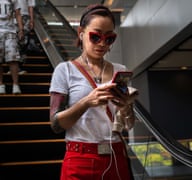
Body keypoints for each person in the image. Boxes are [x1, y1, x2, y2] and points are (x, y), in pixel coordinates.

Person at [49, 4, 138, 180]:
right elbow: (56, 124)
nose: (102, 43)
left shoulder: (119, 70)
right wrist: (87, 101)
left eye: (109, 38)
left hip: (116, 155)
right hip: (80, 158)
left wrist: (126, 108)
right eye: (95, 36)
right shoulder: (65, 70)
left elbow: (129, 125)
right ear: (81, 33)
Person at [0, 0, 23, 94]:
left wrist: (21, 29)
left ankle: (15, 84)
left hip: (10, 30)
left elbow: (18, 13)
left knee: (13, 58)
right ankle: (1, 84)